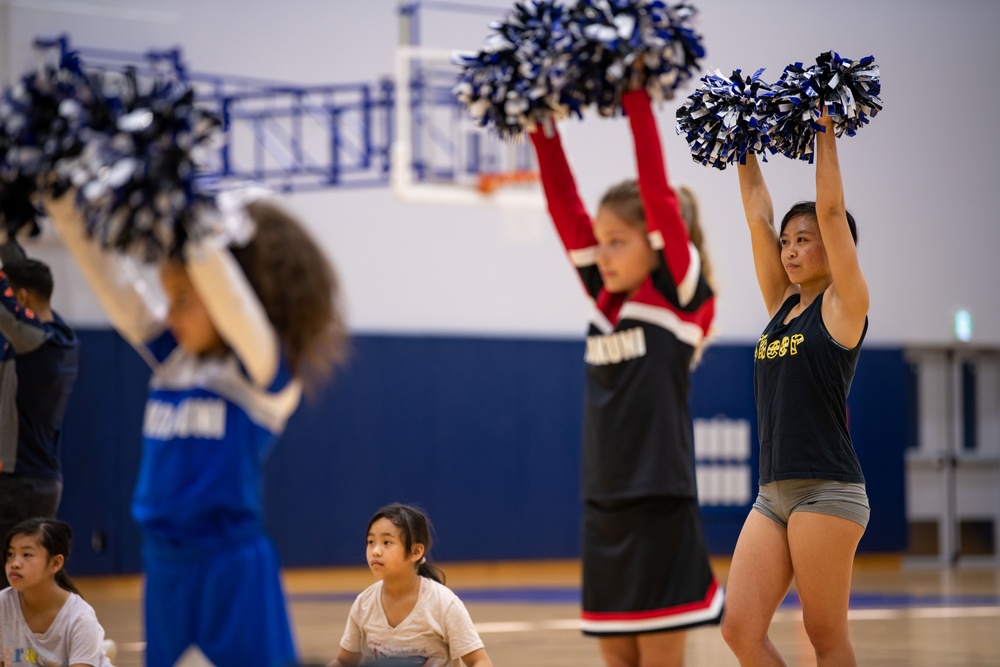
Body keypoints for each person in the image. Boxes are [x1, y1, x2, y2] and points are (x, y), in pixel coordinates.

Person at [43, 188, 348, 667]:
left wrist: (174, 200)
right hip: (163, 566)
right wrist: (59, 196)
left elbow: (225, 289)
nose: (168, 313)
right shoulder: (174, 361)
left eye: (183, 298)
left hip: (228, 569)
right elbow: (112, 284)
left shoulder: (264, 375)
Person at [527, 80, 723, 667]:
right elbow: (565, 207)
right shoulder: (607, 304)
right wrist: (539, 122)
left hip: (659, 505)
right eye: (601, 243)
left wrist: (636, 95)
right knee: (616, 661)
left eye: (619, 241)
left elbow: (658, 194)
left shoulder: (681, 297)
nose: (603, 254)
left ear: (660, 243)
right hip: (603, 506)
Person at [721, 110, 870, 666]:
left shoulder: (844, 304)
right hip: (773, 492)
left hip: (828, 490)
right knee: (739, 628)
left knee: (824, 634)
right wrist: (740, 142)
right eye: (787, 241)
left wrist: (825, 130)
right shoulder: (783, 305)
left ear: (835, 249)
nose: (788, 249)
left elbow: (831, 209)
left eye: (803, 240)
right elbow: (757, 215)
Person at [0, 241, 80, 588]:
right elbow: (20, 274)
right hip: (41, 481)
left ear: (22, 301)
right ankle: (88, 638)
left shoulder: (34, 342)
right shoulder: (61, 335)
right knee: (38, 578)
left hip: (21, 482)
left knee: (17, 580)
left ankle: (85, 637)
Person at [328, 504, 492, 667]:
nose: (375, 551)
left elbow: (479, 661)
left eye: (387, 542)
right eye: (371, 542)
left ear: (415, 552)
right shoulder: (364, 603)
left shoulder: (444, 603)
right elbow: (344, 661)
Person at [1, 517, 115, 666]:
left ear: (55, 563)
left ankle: (96, 654)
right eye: (11, 554)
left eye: (27, 555)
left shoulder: (80, 617)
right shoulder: (3, 604)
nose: (14, 563)